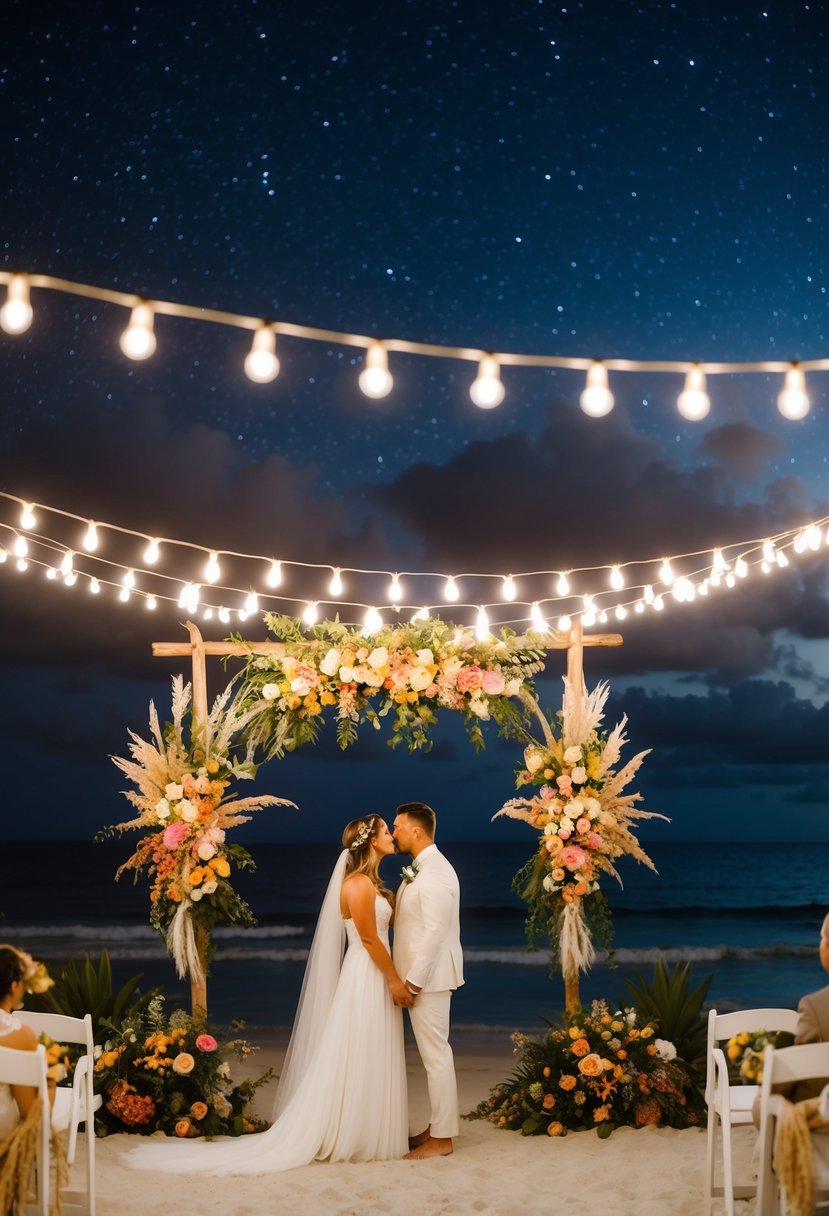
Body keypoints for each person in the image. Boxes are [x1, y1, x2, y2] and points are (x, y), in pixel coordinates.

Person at [125, 815, 412, 1175]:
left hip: (372, 972)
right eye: (386, 831)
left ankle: (371, 1128)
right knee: (360, 1048)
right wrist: (395, 980)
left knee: (371, 1048)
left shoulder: (371, 883)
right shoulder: (357, 885)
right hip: (366, 975)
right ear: (370, 841)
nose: (392, 836)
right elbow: (369, 939)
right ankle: (354, 1133)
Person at [392, 801, 464, 1159]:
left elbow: (435, 932)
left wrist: (413, 983)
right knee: (434, 1056)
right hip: (423, 977)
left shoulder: (435, 871)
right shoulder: (424, 867)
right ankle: (438, 1128)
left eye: (398, 827)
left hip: (429, 980)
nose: (394, 833)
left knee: (436, 1057)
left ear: (416, 831)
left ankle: (443, 1138)